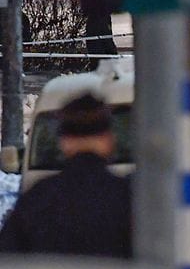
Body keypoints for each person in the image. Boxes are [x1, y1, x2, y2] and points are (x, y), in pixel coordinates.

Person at [0, 94, 132, 259]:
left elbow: (9, 263)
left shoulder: (37, 200)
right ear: (109, 140)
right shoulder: (130, 200)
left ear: (64, 142)